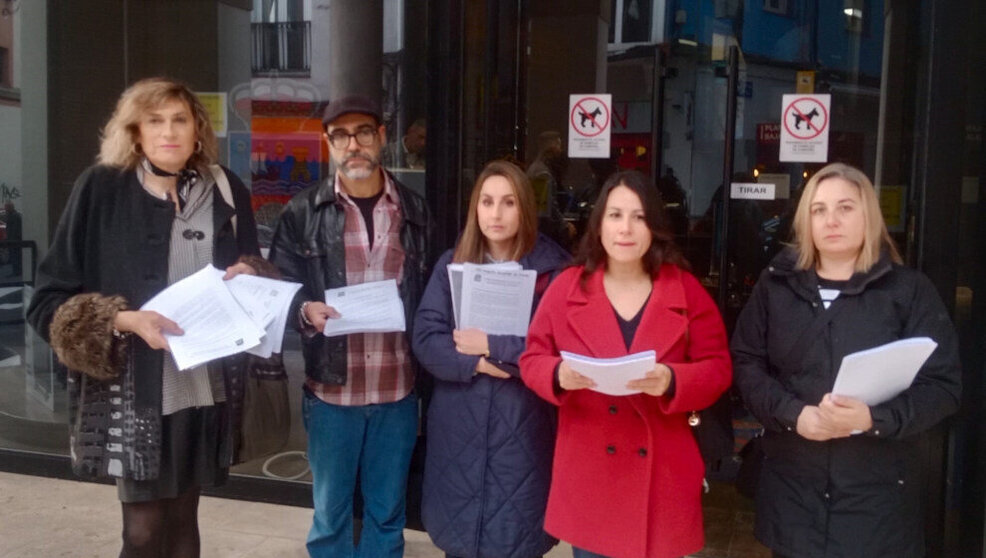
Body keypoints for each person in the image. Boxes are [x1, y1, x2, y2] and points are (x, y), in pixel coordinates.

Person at [25, 77, 272, 558]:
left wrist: (249, 273)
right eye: (154, 121)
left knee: (184, 522)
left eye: (180, 119)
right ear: (135, 132)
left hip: (204, 385)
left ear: (197, 129)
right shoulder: (99, 188)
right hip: (134, 391)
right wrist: (125, 321)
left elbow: (254, 269)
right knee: (141, 532)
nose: (169, 132)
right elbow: (48, 301)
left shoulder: (225, 187)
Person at [730, 163, 962, 558]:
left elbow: (943, 387)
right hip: (794, 495)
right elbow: (746, 362)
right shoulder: (777, 285)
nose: (831, 220)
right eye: (818, 210)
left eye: (845, 207)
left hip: (878, 503)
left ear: (868, 214)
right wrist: (793, 413)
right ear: (806, 220)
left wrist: (874, 419)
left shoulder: (907, 291)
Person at [520, 170, 732, 558]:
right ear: (599, 224)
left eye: (639, 217)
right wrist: (557, 374)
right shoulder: (566, 287)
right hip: (591, 472)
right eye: (615, 215)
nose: (626, 228)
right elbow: (532, 357)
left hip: (662, 475)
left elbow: (717, 368)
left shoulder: (685, 289)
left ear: (654, 226)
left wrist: (673, 380)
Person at [268, 94, 433, 558]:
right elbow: (280, 287)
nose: (352, 144)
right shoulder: (303, 211)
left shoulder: (415, 211)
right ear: (328, 144)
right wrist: (305, 308)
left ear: (381, 138)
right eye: (340, 135)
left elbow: (434, 294)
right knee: (329, 515)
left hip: (397, 389)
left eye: (363, 132)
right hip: (331, 392)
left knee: (387, 513)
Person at [412, 160, 568, 558]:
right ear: (474, 208)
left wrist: (490, 344)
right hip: (458, 425)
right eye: (486, 202)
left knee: (516, 537)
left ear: (525, 209)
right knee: (462, 538)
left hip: (523, 424)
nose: (495, 214)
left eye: (508, 202)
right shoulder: (452, 263)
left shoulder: (555, 271)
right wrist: (476, 363)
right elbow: (427, 337)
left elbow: (556, 350)